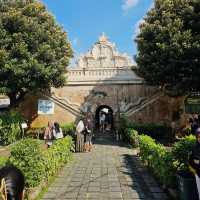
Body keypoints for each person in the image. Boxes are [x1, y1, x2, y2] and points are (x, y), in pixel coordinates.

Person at [189, 128, 200, 199]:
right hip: (198, 174)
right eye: (199, 137)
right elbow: (190, 161)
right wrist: (195, 172)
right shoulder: (194, 147)